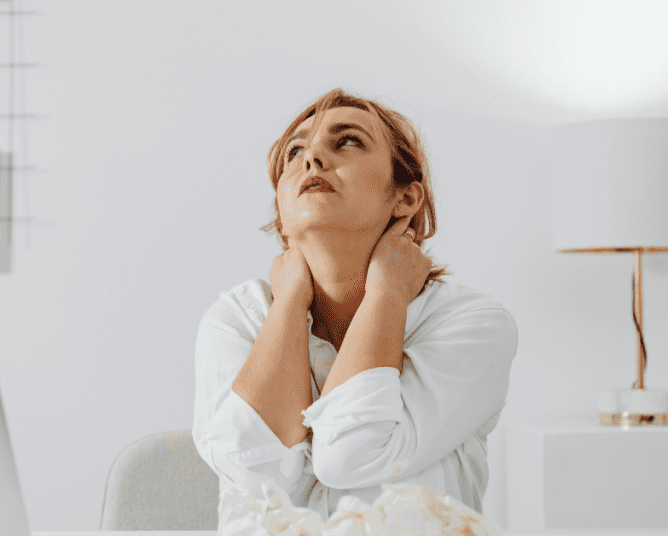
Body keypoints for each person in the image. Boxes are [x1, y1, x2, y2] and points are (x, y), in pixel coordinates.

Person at [192, 88, 518, 521]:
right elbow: (260, 476)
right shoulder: (236, 318)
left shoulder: (473, 325)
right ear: (281, 209)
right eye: (295, 151)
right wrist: (289, 301)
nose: (312, 159)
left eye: (347, 140)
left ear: (405, 198)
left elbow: (351, 455)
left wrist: (385, 294)